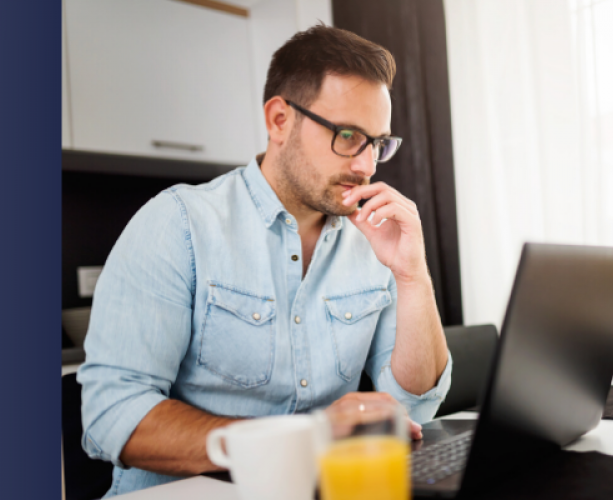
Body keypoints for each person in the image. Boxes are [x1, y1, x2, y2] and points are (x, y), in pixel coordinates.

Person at [78, 25, 452, 497]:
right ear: (279, 120)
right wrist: (304, 438)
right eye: (348, 135)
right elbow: (113, 415)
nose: (366, 166)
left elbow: (412, 411)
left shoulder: (373, 239)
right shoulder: (179, 223)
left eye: (377, 143)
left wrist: (412, 275)